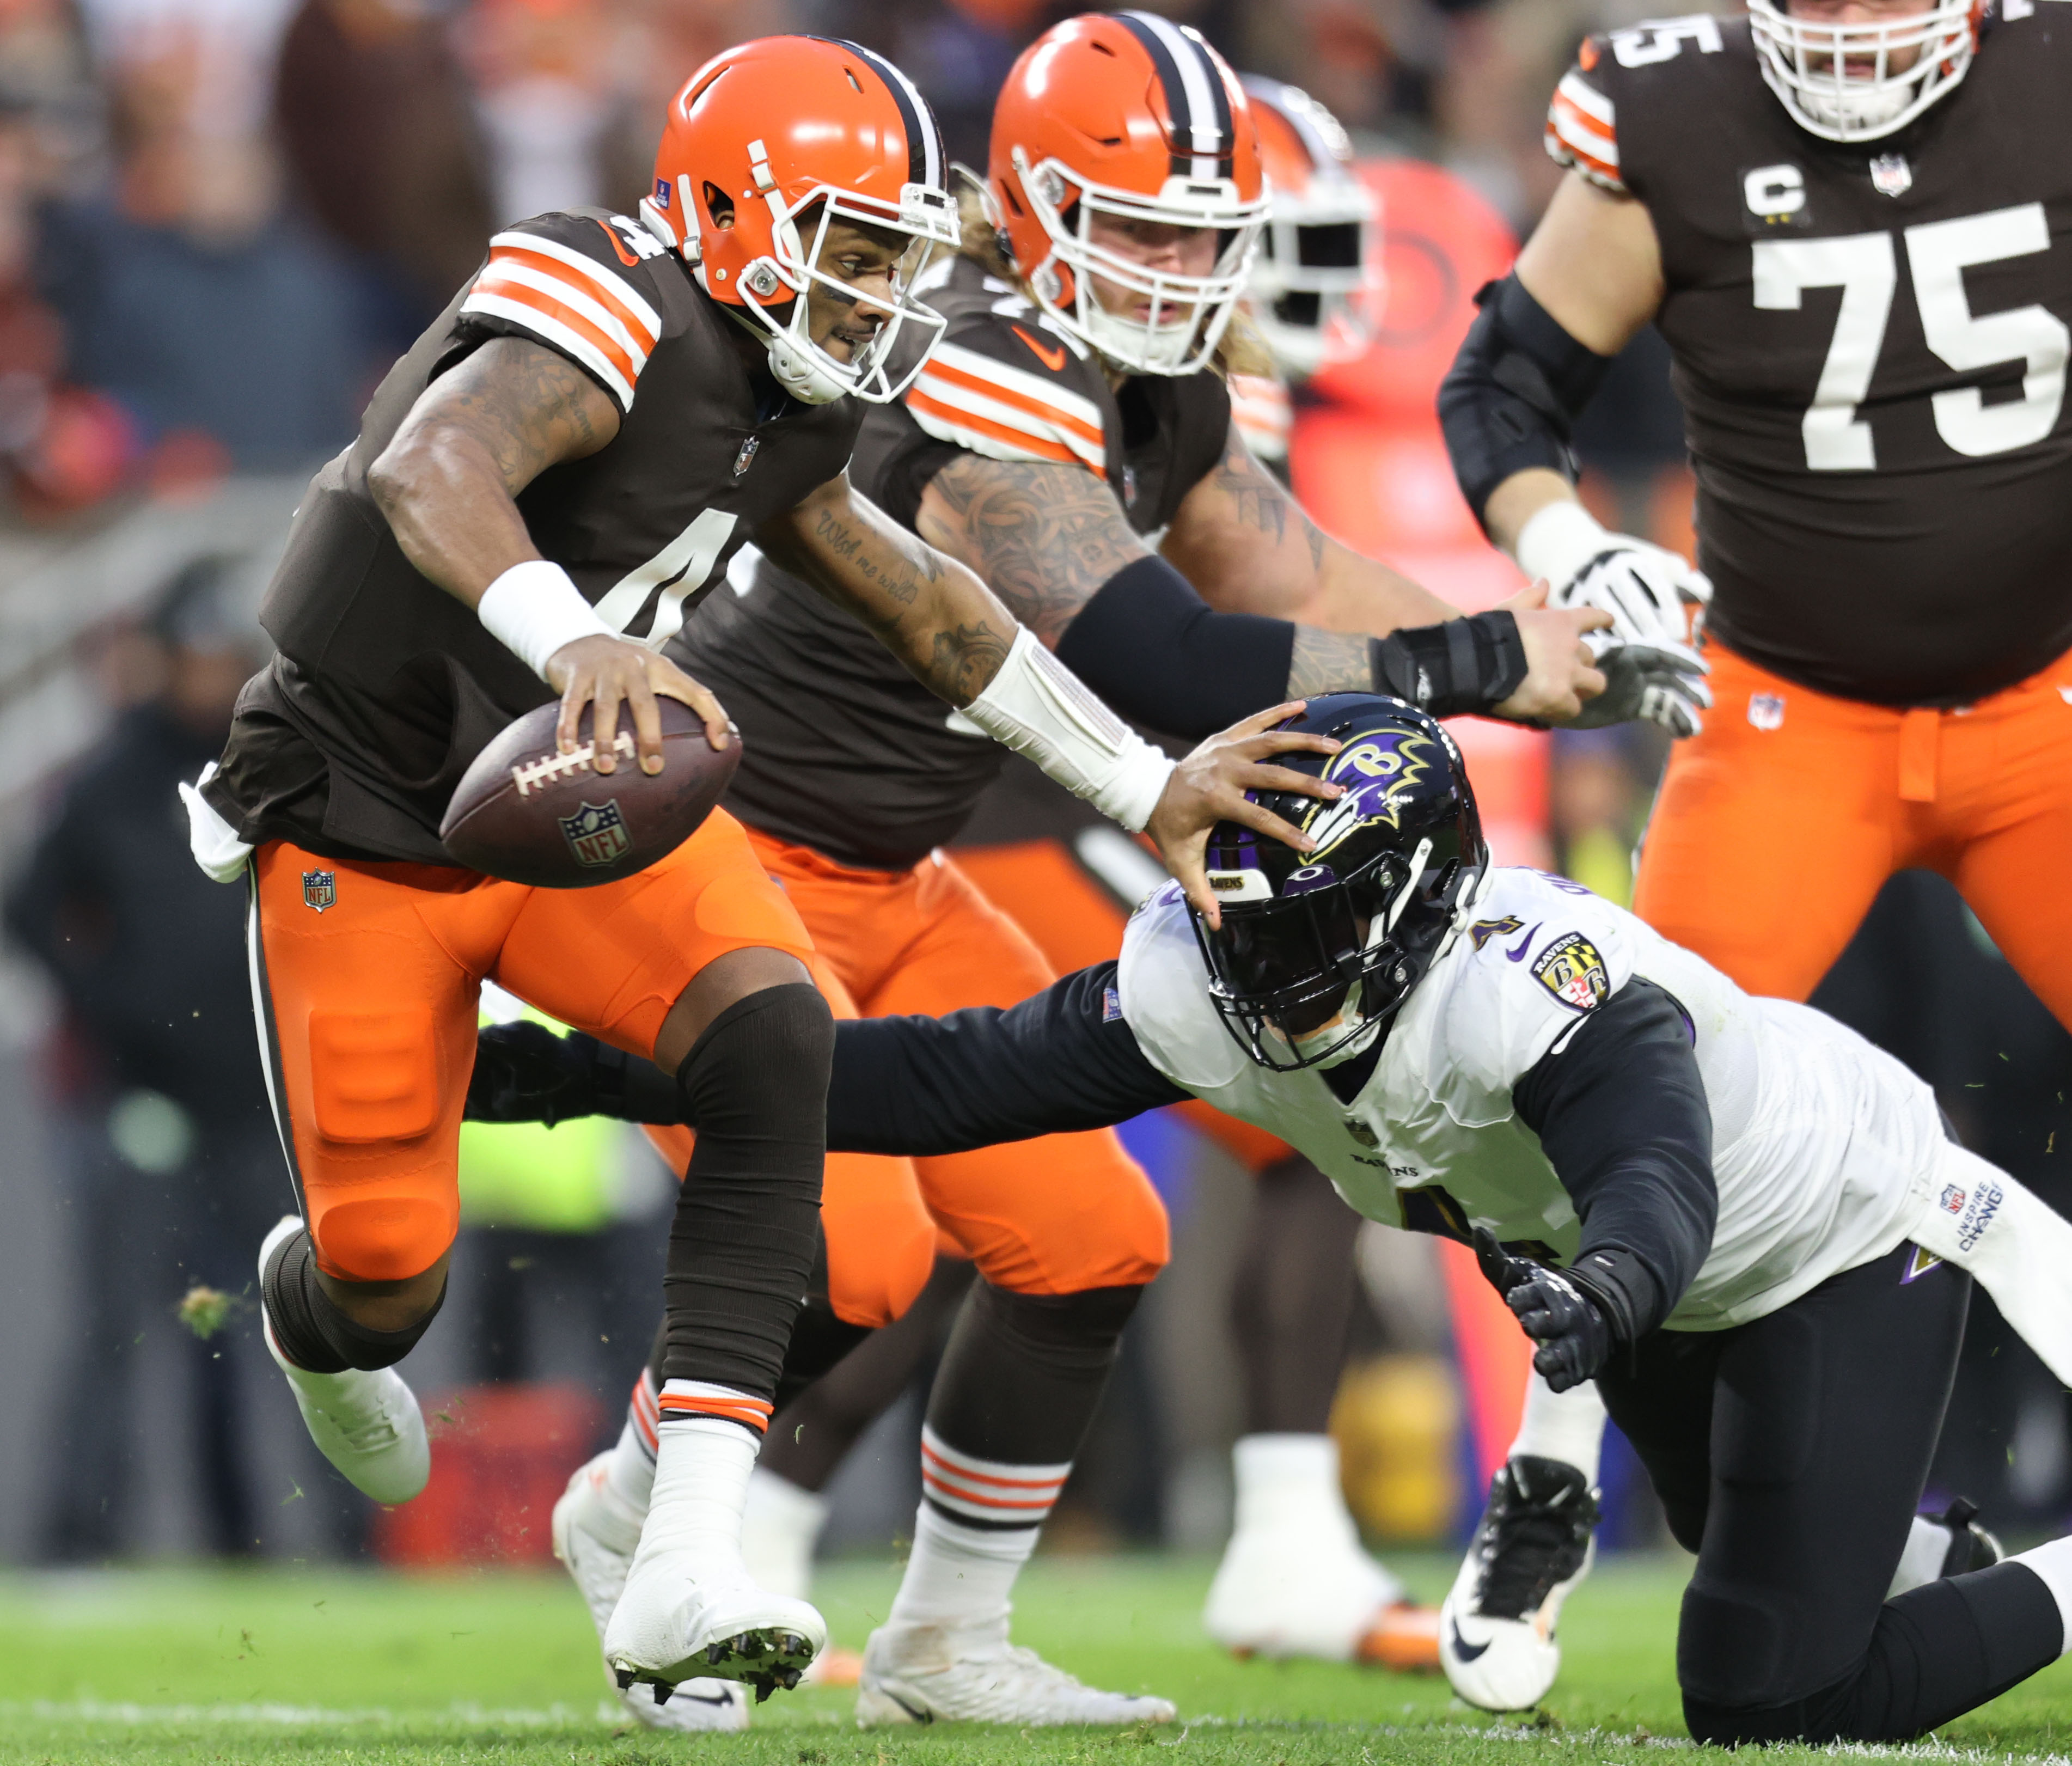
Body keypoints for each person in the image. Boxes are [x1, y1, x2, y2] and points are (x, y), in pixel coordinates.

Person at [179, 34, 1327, 1714]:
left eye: (891, 251)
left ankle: (684, 1556)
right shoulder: (605, 293)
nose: (874, 289)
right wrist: (571, 639)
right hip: (367, 819)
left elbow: (933, 607)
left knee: (778, 1030)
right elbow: (436, 469)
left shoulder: (800, 399)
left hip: (584, 805)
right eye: (847, 247)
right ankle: (314, 1311)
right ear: (726, 213)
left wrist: (1142, 783)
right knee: (386, 1272)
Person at [536, 9, 1640, 1727]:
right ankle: (643, 1517)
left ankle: (942, 1642)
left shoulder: (1159, 382)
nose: (1176, 266)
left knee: (1088, 1234)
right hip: (724, 851)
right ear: (1040, 212)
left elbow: (1287, 563)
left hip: (899, 871)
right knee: (859, 1256)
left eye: (1203, 233)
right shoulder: (979, 355)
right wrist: (1483, 666)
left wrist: (1547, 631)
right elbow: (1173, 660)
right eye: (1137, 227)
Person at [478, 693, 2072, 1746]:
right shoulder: (1206, 973)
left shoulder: (1538, 983)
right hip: (1625, 1273)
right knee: (1748, 1531)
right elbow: (940, 1080)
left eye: (1311, 928)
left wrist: (1607, 1289)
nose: (1269, 975)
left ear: (1420, 899)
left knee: (1770, 1698)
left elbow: (1660, 1168)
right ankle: (1930, 1552)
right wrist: (595, 1074)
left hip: (1836, 1231)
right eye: (1252, 926)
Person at [1434, 0, 2072, 1704]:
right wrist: (1571, 543)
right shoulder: (1678, 107)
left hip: (2047, 702)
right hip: (1793, 715)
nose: (1855, 37)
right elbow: (1505, 378)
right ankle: (1549, 1481)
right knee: (1608, 1083)